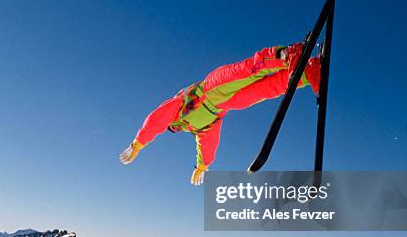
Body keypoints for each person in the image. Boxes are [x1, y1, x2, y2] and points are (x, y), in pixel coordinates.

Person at [119, 43, 321, 185]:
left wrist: (138, 143)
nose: (174, 127)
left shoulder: (179, 106)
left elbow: (156, 119)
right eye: (174, 129)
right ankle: (308, 71)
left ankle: (287, 54)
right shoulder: (199, 127)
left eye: (172, 126)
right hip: (225, 105)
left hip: (212, 88)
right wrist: (202, 166)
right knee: (268, 88)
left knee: (249, 69)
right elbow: (208, 143)